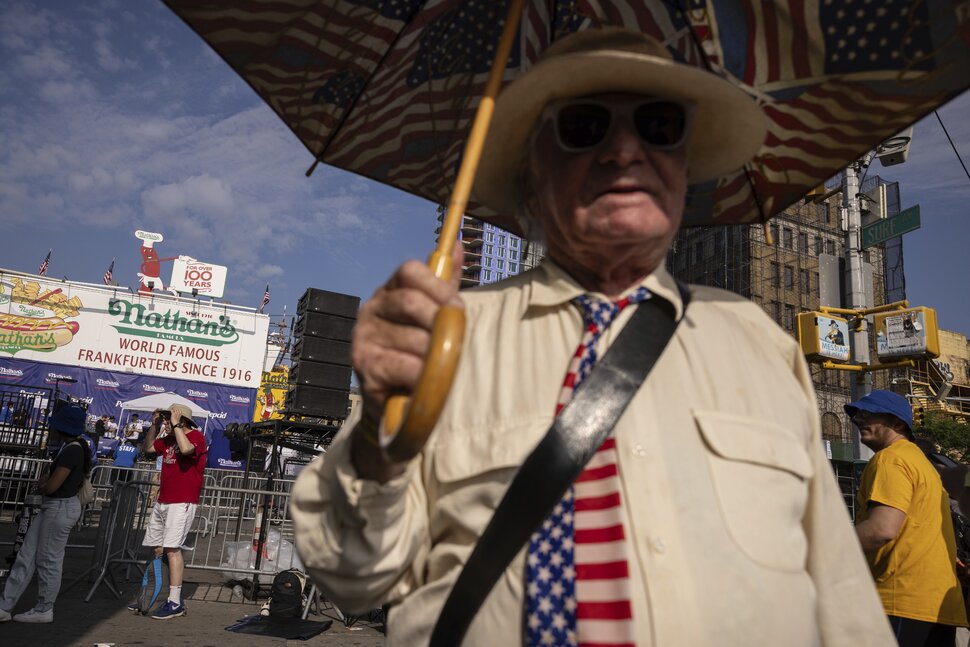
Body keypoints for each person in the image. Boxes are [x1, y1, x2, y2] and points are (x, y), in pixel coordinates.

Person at [290, 28, 892, 646]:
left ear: (683, 169)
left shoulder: (760, 345)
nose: (625, 150)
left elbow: (842, 600)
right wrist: (380, 438)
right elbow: (349, 575)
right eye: (584, 125)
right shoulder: (443, 343)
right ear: (529, 175)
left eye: (659, 125)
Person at [849, 390, 968, 645]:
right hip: (938, 605)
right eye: (856, 414)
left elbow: (882, 528)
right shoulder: (923, 465)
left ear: (897, 423)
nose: (858, 419)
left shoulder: (890, 459)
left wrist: (823, 549)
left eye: (867, 413)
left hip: (899, 597)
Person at [0, 404, 91, 624]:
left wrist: (41, 485)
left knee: (46, 560)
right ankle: (6, 605)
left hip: (59, 506)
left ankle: (43, 608)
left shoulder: (72, 450)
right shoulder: (73, 448)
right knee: (28, 556)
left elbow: (52, 486)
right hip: (57, 507)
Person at [132, 403, 207, 620]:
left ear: (180, 419)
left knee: (172, 549)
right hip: (163, 500)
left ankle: (175, 602)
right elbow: (148, 449)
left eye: (168, 417)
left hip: (182, 501)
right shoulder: (168, 438)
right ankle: (157, 594)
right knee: (158, 548)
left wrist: (175, 426)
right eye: (164, 417)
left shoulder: (196, 436)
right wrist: (154, 427)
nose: (165, 420)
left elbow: (186, 450)